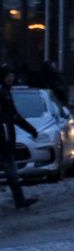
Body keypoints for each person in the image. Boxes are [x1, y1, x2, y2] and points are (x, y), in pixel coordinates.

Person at [0, 65, 39, 209]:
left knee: (11, 169)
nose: (11, 78)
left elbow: (14, 116)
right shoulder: (2, 93)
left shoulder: (6, 92)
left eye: (12, 75)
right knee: (10, 169)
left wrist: (31, 130)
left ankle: (20, 199)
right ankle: (19, 200)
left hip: (6, 138)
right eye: (8, 75)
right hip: (3, 138)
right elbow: (11, 116)